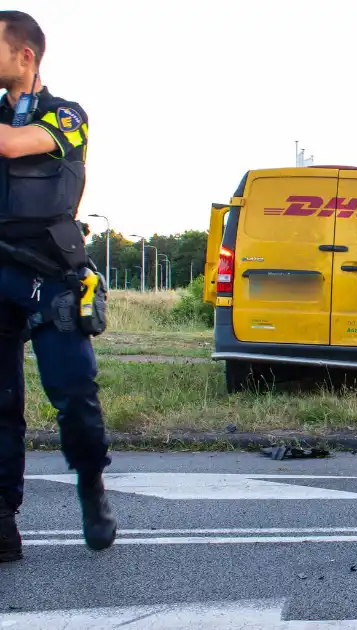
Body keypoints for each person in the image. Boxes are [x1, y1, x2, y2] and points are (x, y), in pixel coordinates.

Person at [0, 10, 116, 563]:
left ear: (25, 55)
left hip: (51, 273)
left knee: (73, 395)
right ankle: (1, 521)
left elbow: (14, 146)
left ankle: (91, 485)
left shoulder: (67, 116)